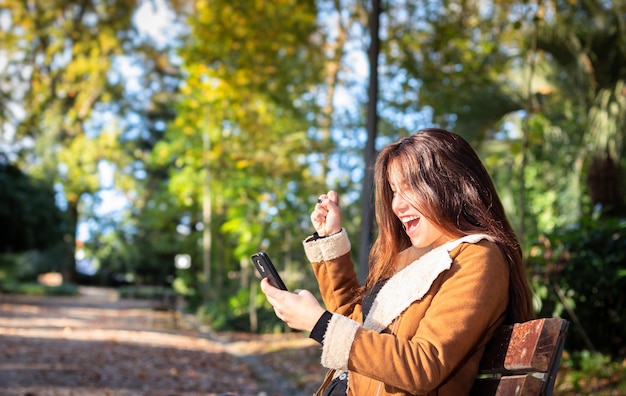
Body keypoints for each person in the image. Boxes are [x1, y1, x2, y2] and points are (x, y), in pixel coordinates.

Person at [260, 128, 535, 396]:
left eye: (409, 189)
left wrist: (319, 323)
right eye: (393, 191)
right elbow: (354, 322)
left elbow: (425, 365)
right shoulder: (410, 259)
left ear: (448, 185)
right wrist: (331, 240)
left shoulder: (478, 256)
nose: (396, 206)